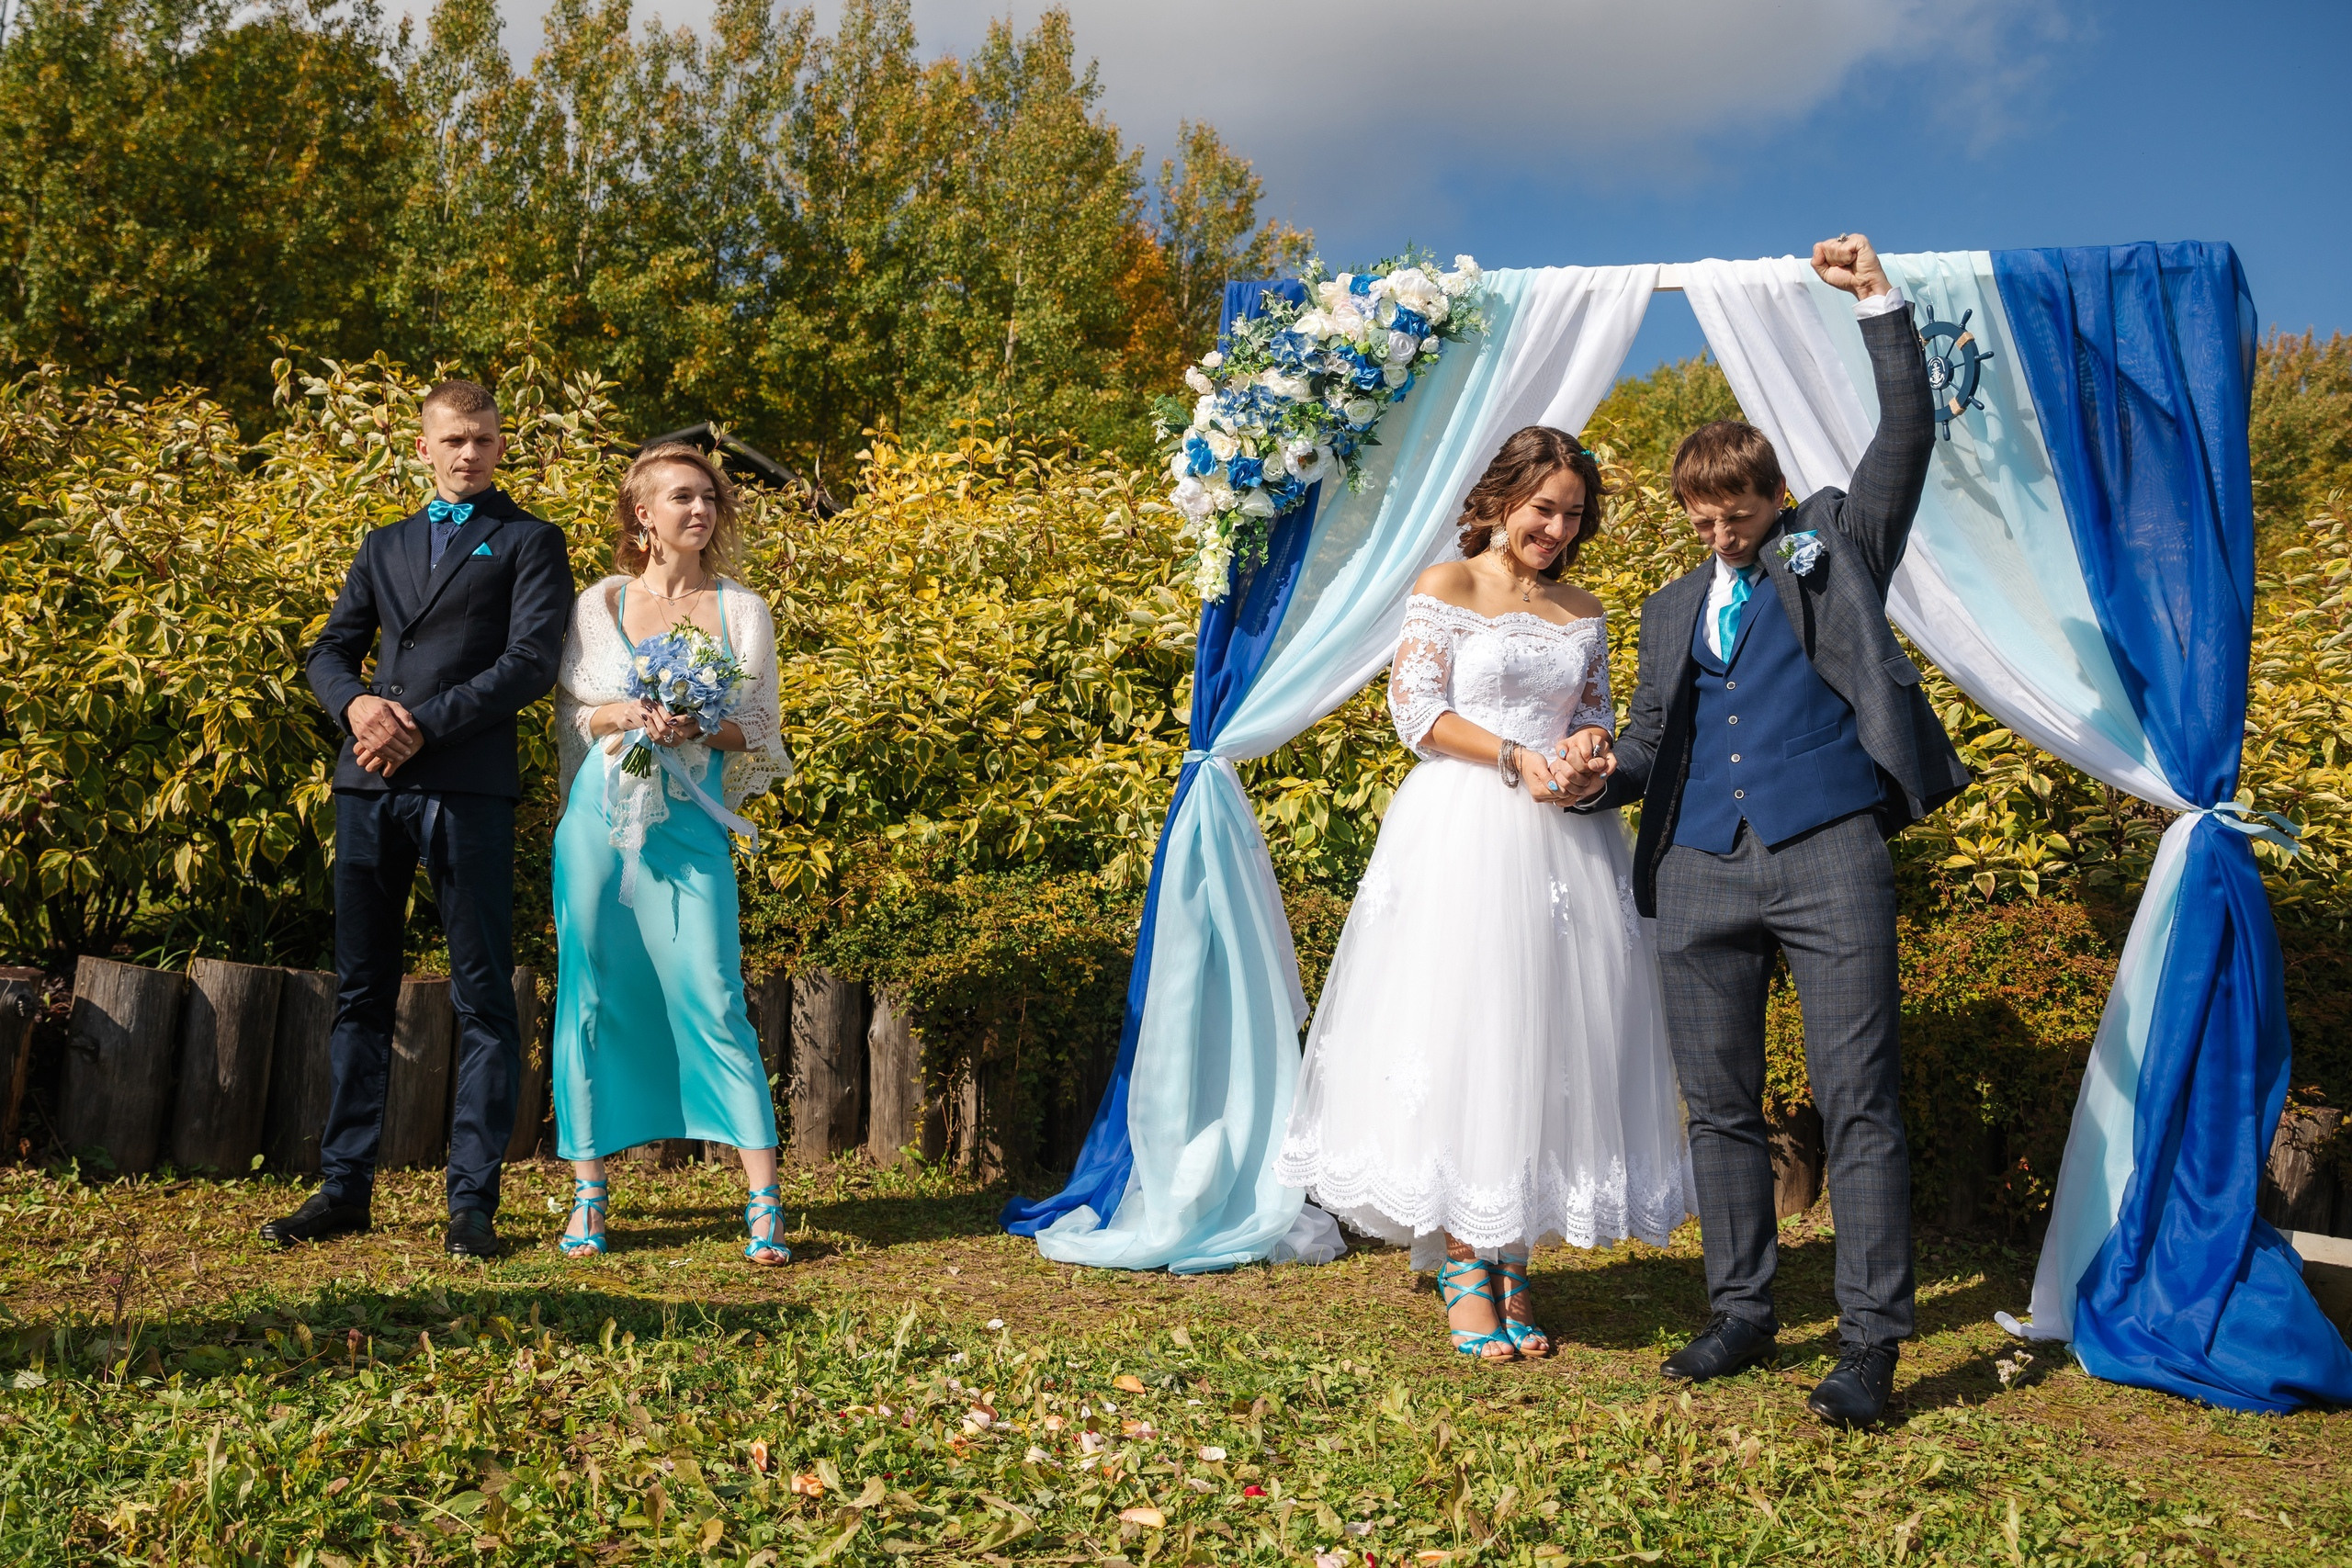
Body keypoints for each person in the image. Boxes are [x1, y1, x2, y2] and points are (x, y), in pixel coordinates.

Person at [1559, 233, 1970, 1427]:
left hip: (1828, 850)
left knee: (1857, 1099)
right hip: (1694, 868)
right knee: (1718, 1105)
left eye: (1734, 503)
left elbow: (1907, 437)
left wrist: (1878, 303)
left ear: (1770, 495)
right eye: (1700, 508)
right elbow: (1646, 743)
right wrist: (1595, 776)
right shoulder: (1668, 607)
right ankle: (1741, 1307)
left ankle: (1874, 1343)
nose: (1718, 525)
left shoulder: (1826, 543)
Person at [1274, 426, 1692, 1362]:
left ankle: (1511, 1256)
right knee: (1466, 1029)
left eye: (1573, 512)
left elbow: (1596, 723)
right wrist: (1514, 756)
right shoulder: (1445, 586)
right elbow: (1416, 712)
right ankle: (1462, 1261)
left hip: (1562, 848)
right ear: (1504, 499)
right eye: (1543, 507)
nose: (1556, 525)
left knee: (1545, 1038)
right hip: (1463, 827)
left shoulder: (1582, 610)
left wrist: (1589, 758)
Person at [266, 379, 576, 1258]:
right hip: (367, 785)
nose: (467, 453)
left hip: (466, 787)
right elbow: (331, 648)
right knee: (361, 989)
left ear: (501, 445)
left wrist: (419, 726)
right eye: (452, 440)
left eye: (482, 439)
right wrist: (359, 708)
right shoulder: (385, 542)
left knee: (483, 996)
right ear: (424, 446)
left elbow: (527, 665)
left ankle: (472, 1203)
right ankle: (343, 1189)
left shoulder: (529, 540)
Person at [547, 443, 795, 1262]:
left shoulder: (742, 610)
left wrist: (694, 725)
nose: (700, 510)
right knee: (589, 993)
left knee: (714, 993)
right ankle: (588, 1196)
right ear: (642, 516)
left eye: (710, 499)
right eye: (681, 498)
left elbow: (757, 725)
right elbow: (582, 712)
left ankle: (763, 1201)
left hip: (688, 829)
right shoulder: (600, 602)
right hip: (599, 827)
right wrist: (628, 713)